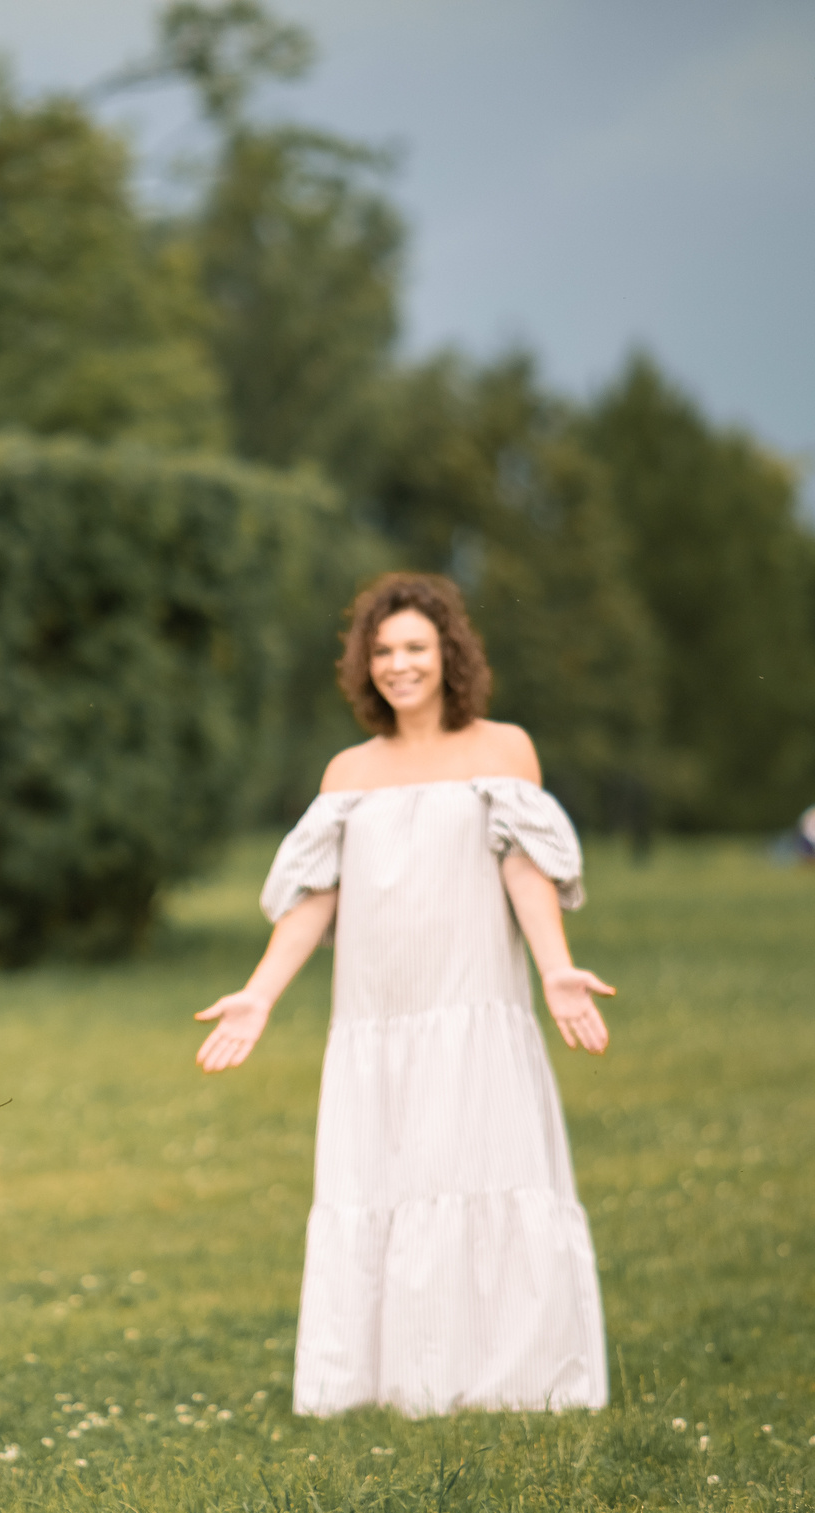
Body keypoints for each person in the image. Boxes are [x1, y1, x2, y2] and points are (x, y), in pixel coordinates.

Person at [194, 572, 615, 1417]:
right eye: (382, 651)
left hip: (476, 1010)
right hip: (377, 1019)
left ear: (449, 653)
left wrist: (556, 965)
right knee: (383, 1182)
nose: (399, 665)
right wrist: (261, 993)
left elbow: (524, 865)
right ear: (365, 665)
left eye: (416, 647)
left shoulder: (504, 750)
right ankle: (384, 1381)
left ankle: (515, 1376)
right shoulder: (350, 770)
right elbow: (318, 895)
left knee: (488, 1170)